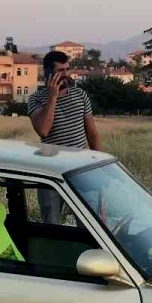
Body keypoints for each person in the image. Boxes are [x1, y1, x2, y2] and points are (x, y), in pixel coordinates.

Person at [26, 51, 101, 224]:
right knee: (51, 223)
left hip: (80, 169)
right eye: (60, 70)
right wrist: (52, 97)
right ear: (48, 73)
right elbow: (43, 130)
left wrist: (99, 168)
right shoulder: (35, 99)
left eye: (67, 69)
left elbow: (92, 134)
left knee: (89, 223)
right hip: (50, 171)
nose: (66, 74)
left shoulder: (80, 95)